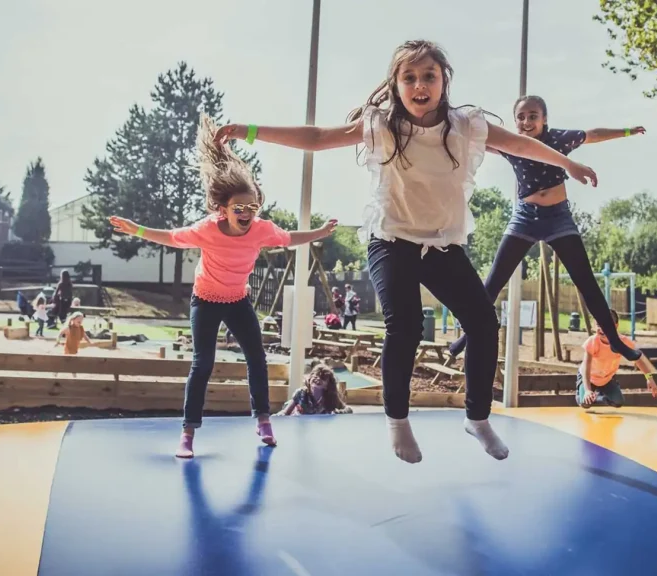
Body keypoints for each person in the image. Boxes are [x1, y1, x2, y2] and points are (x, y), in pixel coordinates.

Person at [215, 39, 599, 463]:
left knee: (483, 322)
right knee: (406, 325)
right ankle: (397, 421)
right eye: (410, 77)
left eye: (429, 76)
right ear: (396, 85)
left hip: (441, 243)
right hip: (391, 240)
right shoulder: (382, 125)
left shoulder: (466, 125)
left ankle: (477, 418)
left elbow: (521, 145)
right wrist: (250, 131)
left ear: (443, 81)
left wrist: (568, 163)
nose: (420, 86)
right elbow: (319, 137)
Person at [109, 113, 337, 459]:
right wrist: (136, 229)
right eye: (239, 208)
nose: (246, 213)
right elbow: (172, 237)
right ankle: (187, 433)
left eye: (251, 207)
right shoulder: (207, 229)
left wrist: (318, 232)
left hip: (237, 301)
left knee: (257, 357)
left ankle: (263, 420)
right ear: (223, 209)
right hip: (205, 300)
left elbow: (289, 238)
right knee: (202, 363)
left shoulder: (261, 229)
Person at [448, 95, 645, 363]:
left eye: (533, 116)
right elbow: (478, 139)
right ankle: (467, 335)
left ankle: (614, 340)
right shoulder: (512, 144)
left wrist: (627, 131)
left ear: (544, 119)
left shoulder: (559, 139)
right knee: (493, 282)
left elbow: (593, 134)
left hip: (558, 218)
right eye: (521, 117)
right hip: (524, 218)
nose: (526, 122)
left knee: (585, 280)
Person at [576, 309, 657, 409]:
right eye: (598, 325)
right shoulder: (592, 342)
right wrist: (587, 390)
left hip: (606, 379)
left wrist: (649, 378)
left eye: (606, 326)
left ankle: (600, 396)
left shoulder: (622, 341)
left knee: (618, 402)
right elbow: (586, 366)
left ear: (616, 326)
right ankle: (583, 396)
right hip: (589, 378)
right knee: (585, 402)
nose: (602, 329)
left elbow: (638, 359)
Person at [280, 362, 353, 415]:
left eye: (323, 378)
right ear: (310, 379)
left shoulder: (331, 397)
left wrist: (338, 412)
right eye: (315, 376)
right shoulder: (301, 393)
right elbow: (285, 412)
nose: (318, 379)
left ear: (328, 385)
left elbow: (349, 410)